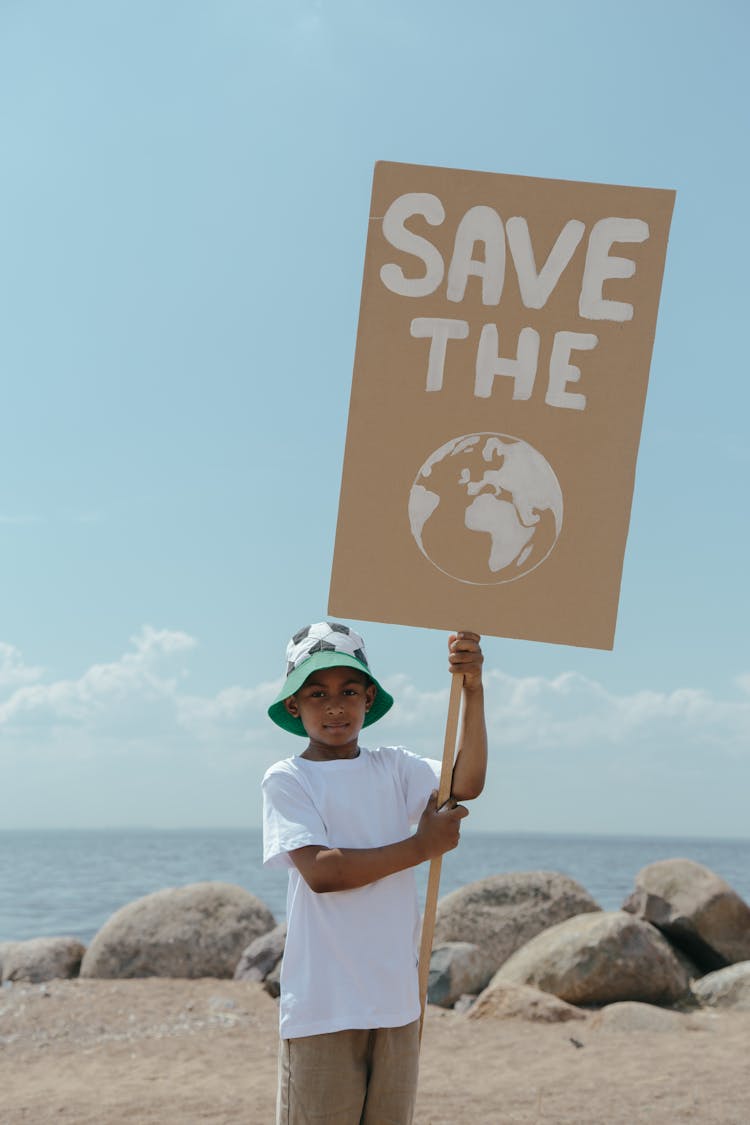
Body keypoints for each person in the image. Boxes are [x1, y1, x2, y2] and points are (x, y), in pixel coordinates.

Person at [262, 621, 487, 1125]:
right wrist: (421, 846)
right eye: (316, 693)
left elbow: (465, 782)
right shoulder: (288, 779)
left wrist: (473, 689)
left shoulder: (395, 767)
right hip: (324, 1007)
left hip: (396, 1001)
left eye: (348, 691)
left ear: (369, 698)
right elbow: (323, 872)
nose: (334, 705)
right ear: (294, 706)